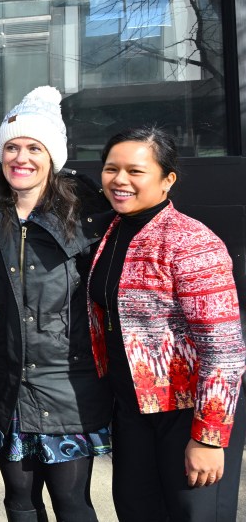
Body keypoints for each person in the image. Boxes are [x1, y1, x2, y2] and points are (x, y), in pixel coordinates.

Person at [88, 126, 246, 521]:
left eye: (135, 171)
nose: (120, 180)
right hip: (133, 410)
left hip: (187, 412)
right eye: (111, 169)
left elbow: (224, 348)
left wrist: (208, 437)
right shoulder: (108, 232)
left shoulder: (191, 242)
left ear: (167, 179)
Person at [0, 87, 112, 522]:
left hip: (66, 384)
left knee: (72, 502)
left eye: (35, 147)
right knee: (18, 500)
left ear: (52, 155)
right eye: (12, 147)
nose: (22, 157)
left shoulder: (88, 216)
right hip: (7, 386)